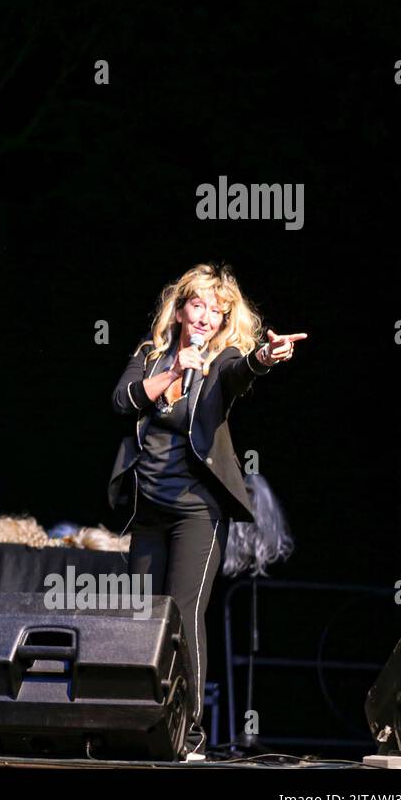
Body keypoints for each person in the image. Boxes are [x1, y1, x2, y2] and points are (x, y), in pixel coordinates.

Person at [107, 263, 305, 755]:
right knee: (142, 617)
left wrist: (264, 355)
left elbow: (243, 372)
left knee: (184, 613)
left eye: (217, 312)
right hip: (148, 509)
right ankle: (138, 724)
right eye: (198, 306)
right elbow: (120, 402)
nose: (206, 318)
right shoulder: (150, 356)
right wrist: (174, 369)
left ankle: (188, 734)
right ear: (180, 310)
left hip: (197, 510)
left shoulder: (222, 361)